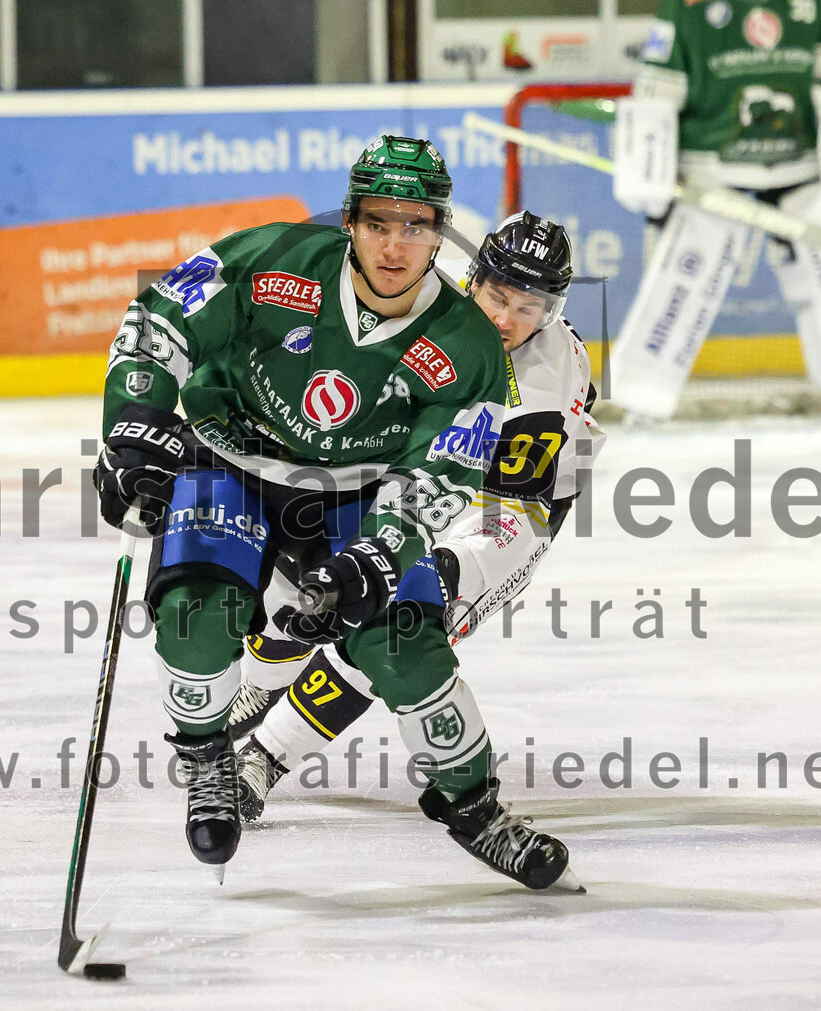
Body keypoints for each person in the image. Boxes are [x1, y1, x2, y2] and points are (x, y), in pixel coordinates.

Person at [94, 135, 564, 885]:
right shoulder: (270, 258)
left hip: (354, 491)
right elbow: (162, 318)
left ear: (440, 233)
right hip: (231, 456)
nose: (395, 243)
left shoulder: (470, 346)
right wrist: (133, 419)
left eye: (415, 225)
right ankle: (212, 759)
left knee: (404, 639)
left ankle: (475, 808)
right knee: (195, 612)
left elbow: (439, 469)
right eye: (379, 221)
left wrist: (379, 554)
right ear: (349, 221)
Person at [231, 213, 604, 891]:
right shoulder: (423, 312)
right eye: (499, 297)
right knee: (320, 583)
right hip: (419, 482)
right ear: (475, 279)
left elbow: (507, 489)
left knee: (400, 617)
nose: (510, 317)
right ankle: (259, 688)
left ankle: (263, 756)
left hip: (504, 512)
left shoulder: (554, 368)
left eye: (531, 306)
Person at [610, 0, 821, 420]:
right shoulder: (686, 8)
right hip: (710, 163)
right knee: (690, 267)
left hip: (800, 159)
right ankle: (642, 389)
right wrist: (648, 157)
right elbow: (658, 90)